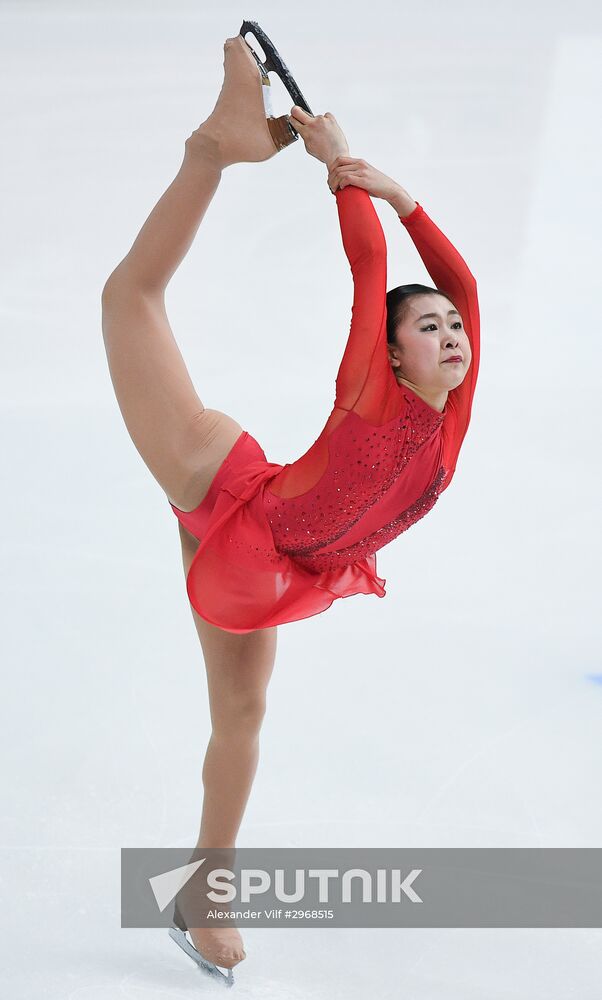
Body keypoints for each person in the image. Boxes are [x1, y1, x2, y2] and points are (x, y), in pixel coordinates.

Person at [101, 34, 479, 975]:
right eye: (428, 326)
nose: (452, 331)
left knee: (241, 718)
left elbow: (466, 281)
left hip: (280, 567)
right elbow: (365, 270)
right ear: (394, 355)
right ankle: (211, 151)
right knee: (130, 297)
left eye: (454, 328)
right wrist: (346, 174)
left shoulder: (451, 420)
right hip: (224, 485)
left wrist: (409, 200)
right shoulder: (373, 388)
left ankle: (203, 888)